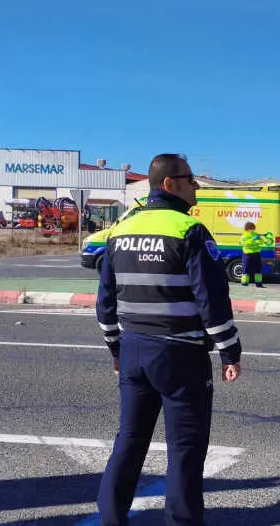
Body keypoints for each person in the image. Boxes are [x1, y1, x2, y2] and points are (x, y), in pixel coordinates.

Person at [95, 153, 242, 526]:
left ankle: (110, 519)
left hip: (133, 350)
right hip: (180, 353)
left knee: (128, 442)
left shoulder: (120, 232)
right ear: (169, 184)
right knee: (185, 451)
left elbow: (105, 302)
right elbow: (212, 300)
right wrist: (229, 351)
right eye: (191, 179)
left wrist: (115, 348)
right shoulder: (188, 231)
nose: (196, 186)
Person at [240, 221, 264, 287]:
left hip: (256, 254)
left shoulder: (255, 234)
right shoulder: (244, 235)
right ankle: (244, 283)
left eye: (253, 228)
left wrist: (257, 240)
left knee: (258, 269)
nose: (252, 230)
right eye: (251, 228)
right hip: (247, 254)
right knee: (246, 268)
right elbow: (244, 243)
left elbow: (261, 242)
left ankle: (258, 283)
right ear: (247, 228)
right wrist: (253, 240)